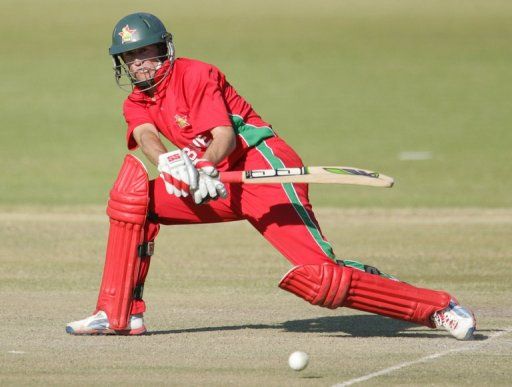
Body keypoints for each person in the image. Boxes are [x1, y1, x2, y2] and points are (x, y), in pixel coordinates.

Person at [66, 12, 476, 340]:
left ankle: (437, 307)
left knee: (321, 279)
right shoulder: (137, 100)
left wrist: (204, 166)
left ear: (165, 49)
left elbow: (224, 135)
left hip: (264, 174)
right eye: (129, 57)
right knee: (134, 202)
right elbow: (145, 135)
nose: (138, 63)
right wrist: (170, 164)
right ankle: (118, 313)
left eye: (146, 52)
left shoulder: (197, 74)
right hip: (220, 185)